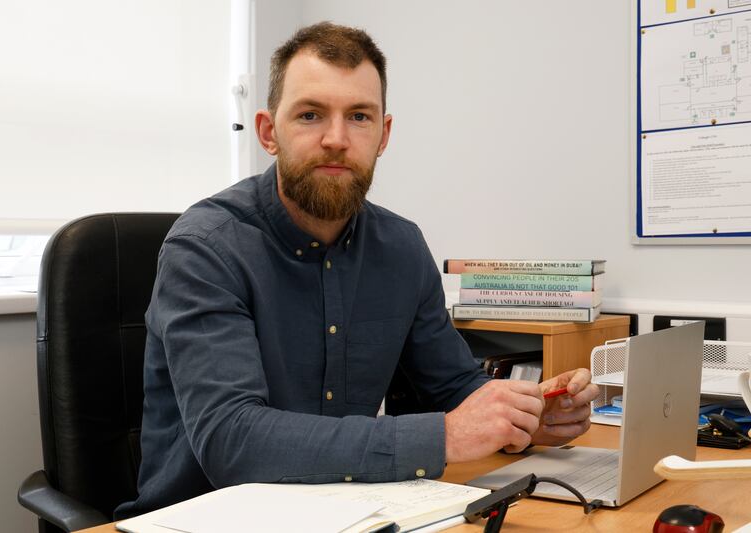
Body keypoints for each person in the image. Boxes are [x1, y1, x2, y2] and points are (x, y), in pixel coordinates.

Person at [116, 21, 598, 518]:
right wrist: (446, 435)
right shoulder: (205, 249)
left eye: (359, 116)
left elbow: (452, 388)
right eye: (310, 115)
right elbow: (233, 442)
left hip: (350, 514)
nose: (336, 139)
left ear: (383, 135)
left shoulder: (402, 247)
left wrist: (526, 416)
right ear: (267, 132)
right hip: (203, 519)